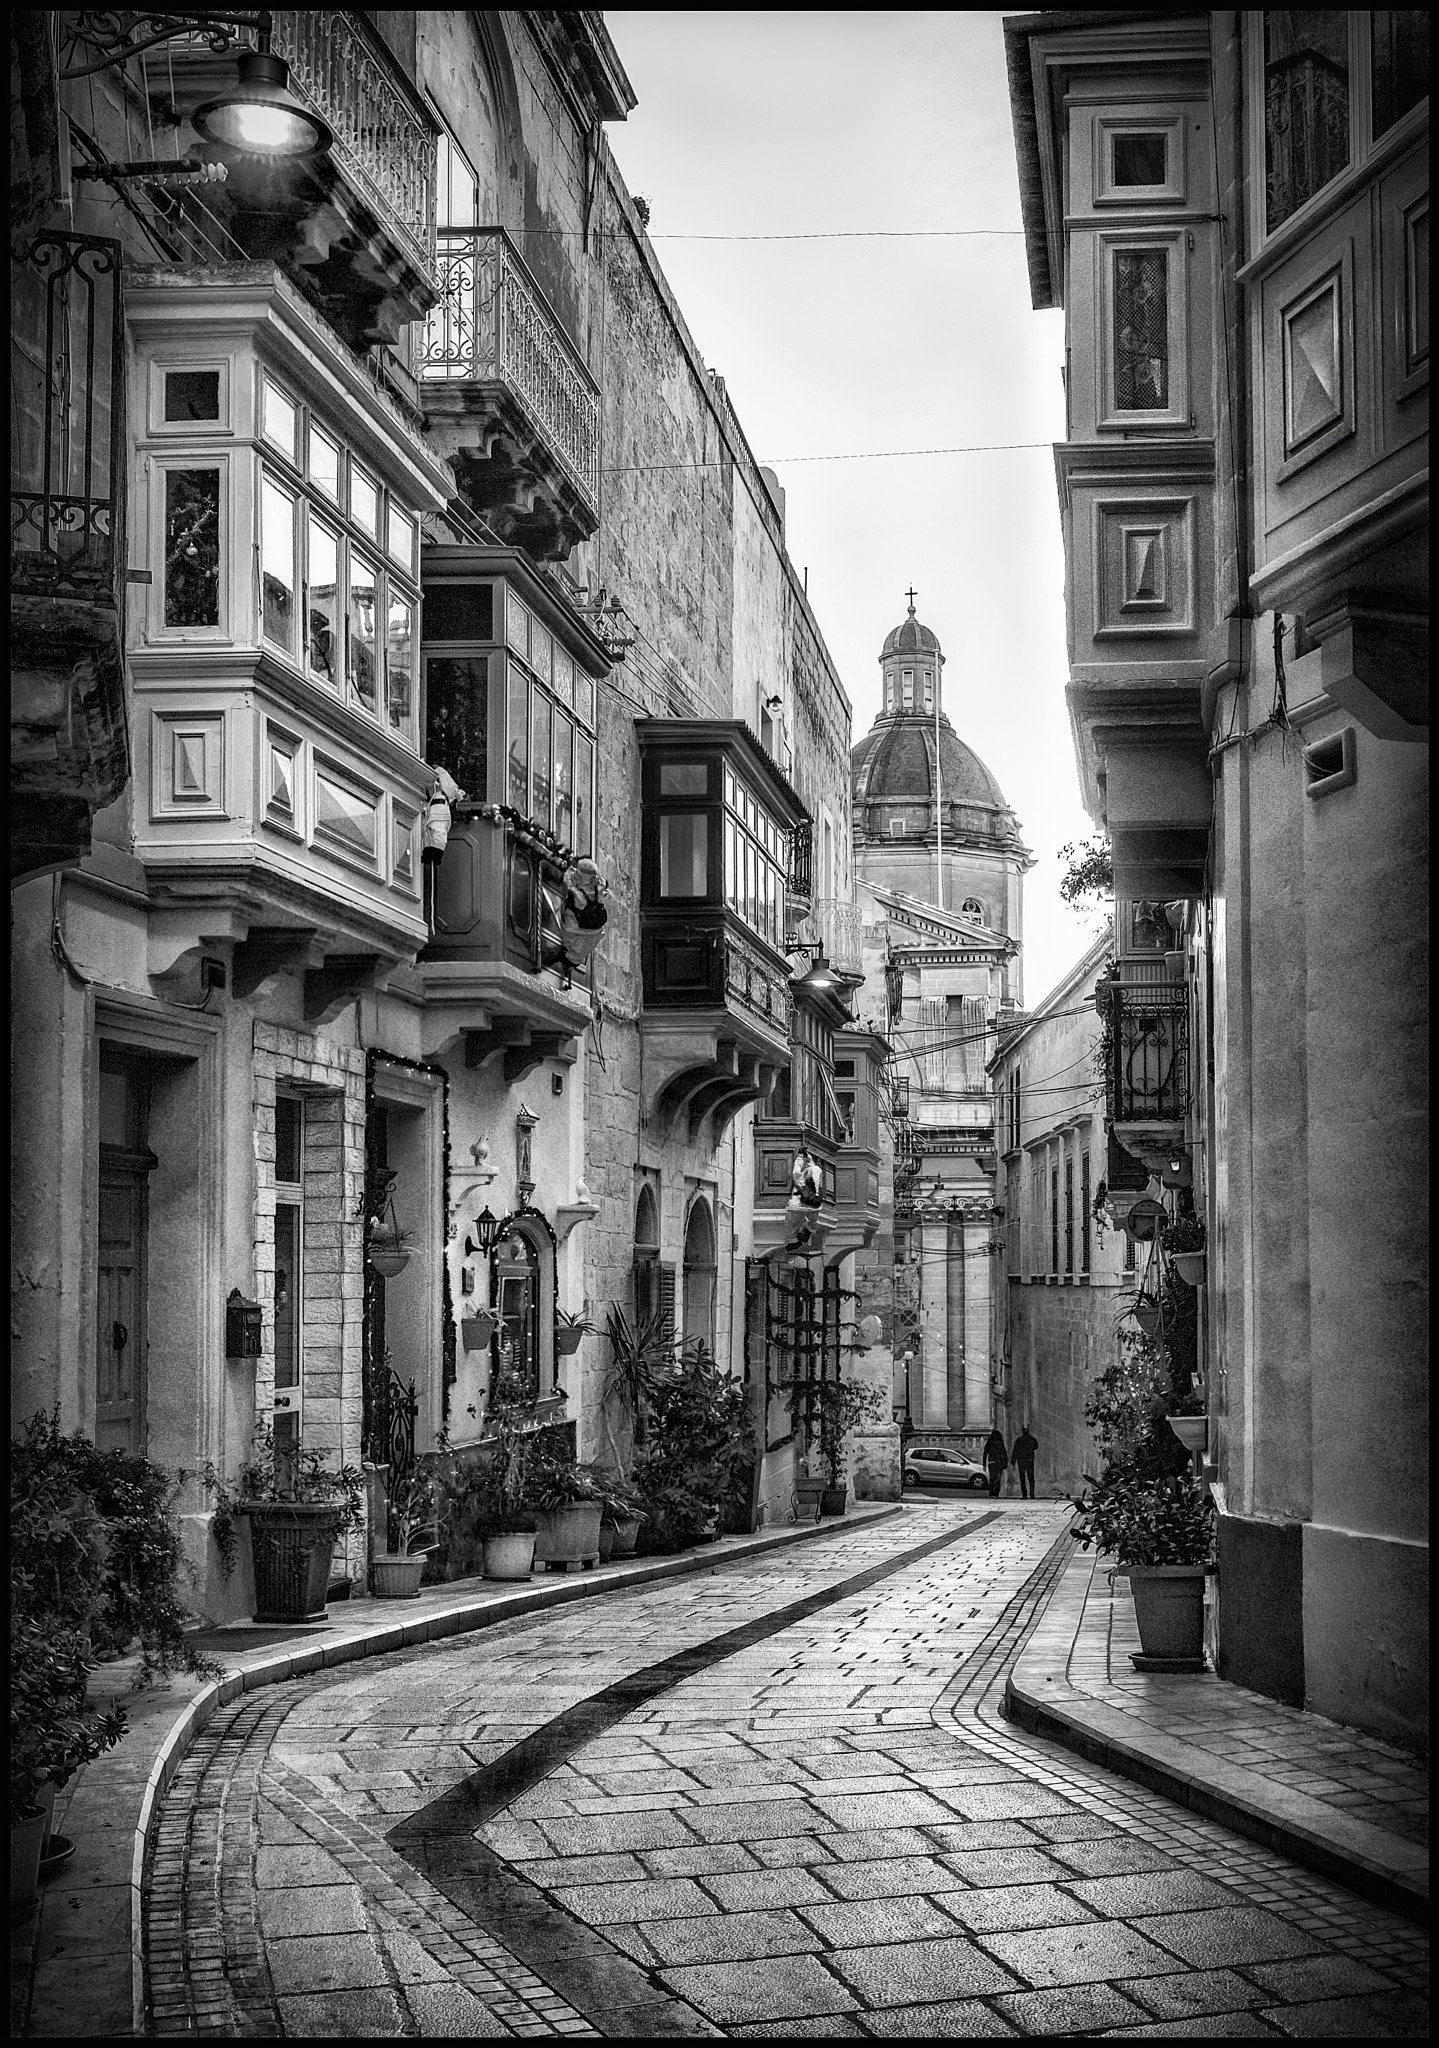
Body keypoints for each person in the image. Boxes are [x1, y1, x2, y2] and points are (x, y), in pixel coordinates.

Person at [1012, 1425, 1038, 1499]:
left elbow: (1015, 1451)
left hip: (1021, 1461)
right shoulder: (1031, 1439)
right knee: (1031, 1478)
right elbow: (1036, 1446)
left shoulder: (1019, 1440)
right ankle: (1032, 1493)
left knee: (1022, 1478)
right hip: (1029, 1460)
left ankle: (1024, 1494)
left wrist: (1013, 1461)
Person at [982, 1427, 1009, 1498]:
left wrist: (984, 1464)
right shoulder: (1000, 1443)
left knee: (992, 1478)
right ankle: (996, 1493)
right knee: (998, 1479)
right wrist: (1005, 1463)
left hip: (991, 1462)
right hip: (999, 1463)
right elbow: (1004, 1454)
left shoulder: (989, 1443)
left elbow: (985, 1453)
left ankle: (991, 1493)